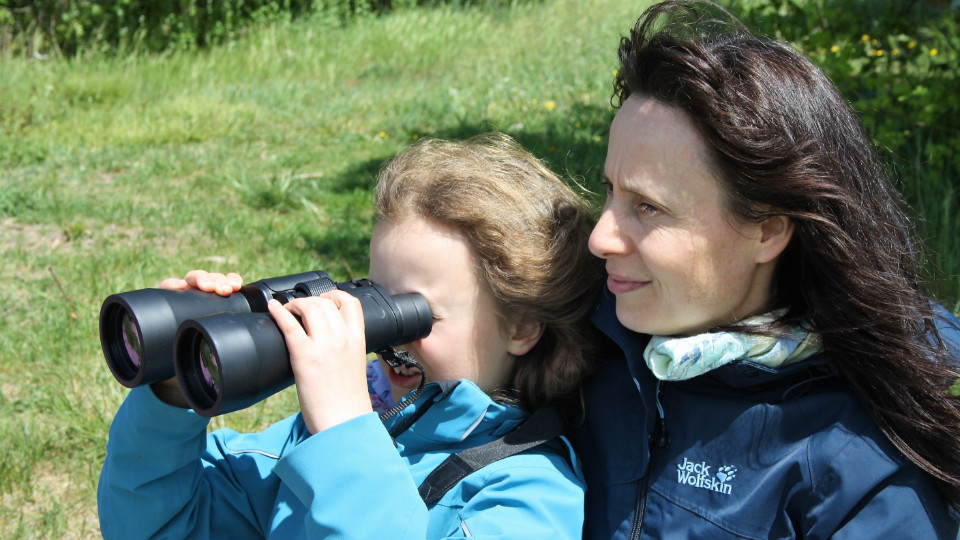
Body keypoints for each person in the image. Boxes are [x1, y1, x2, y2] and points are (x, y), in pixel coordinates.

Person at [567, 1, 960, 538]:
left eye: (649, 207)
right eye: (610, 191)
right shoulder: (578, 344)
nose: (599, 238)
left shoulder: (862, 473)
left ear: (768, 230)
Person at [97, 132, 604, 539]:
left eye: (414, 314)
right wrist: (173, 393)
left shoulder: (528, 495)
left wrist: (344, 434)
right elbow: (162, 525)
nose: (381, 337)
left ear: (521, 327)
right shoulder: (316, 438)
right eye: (372, 299)